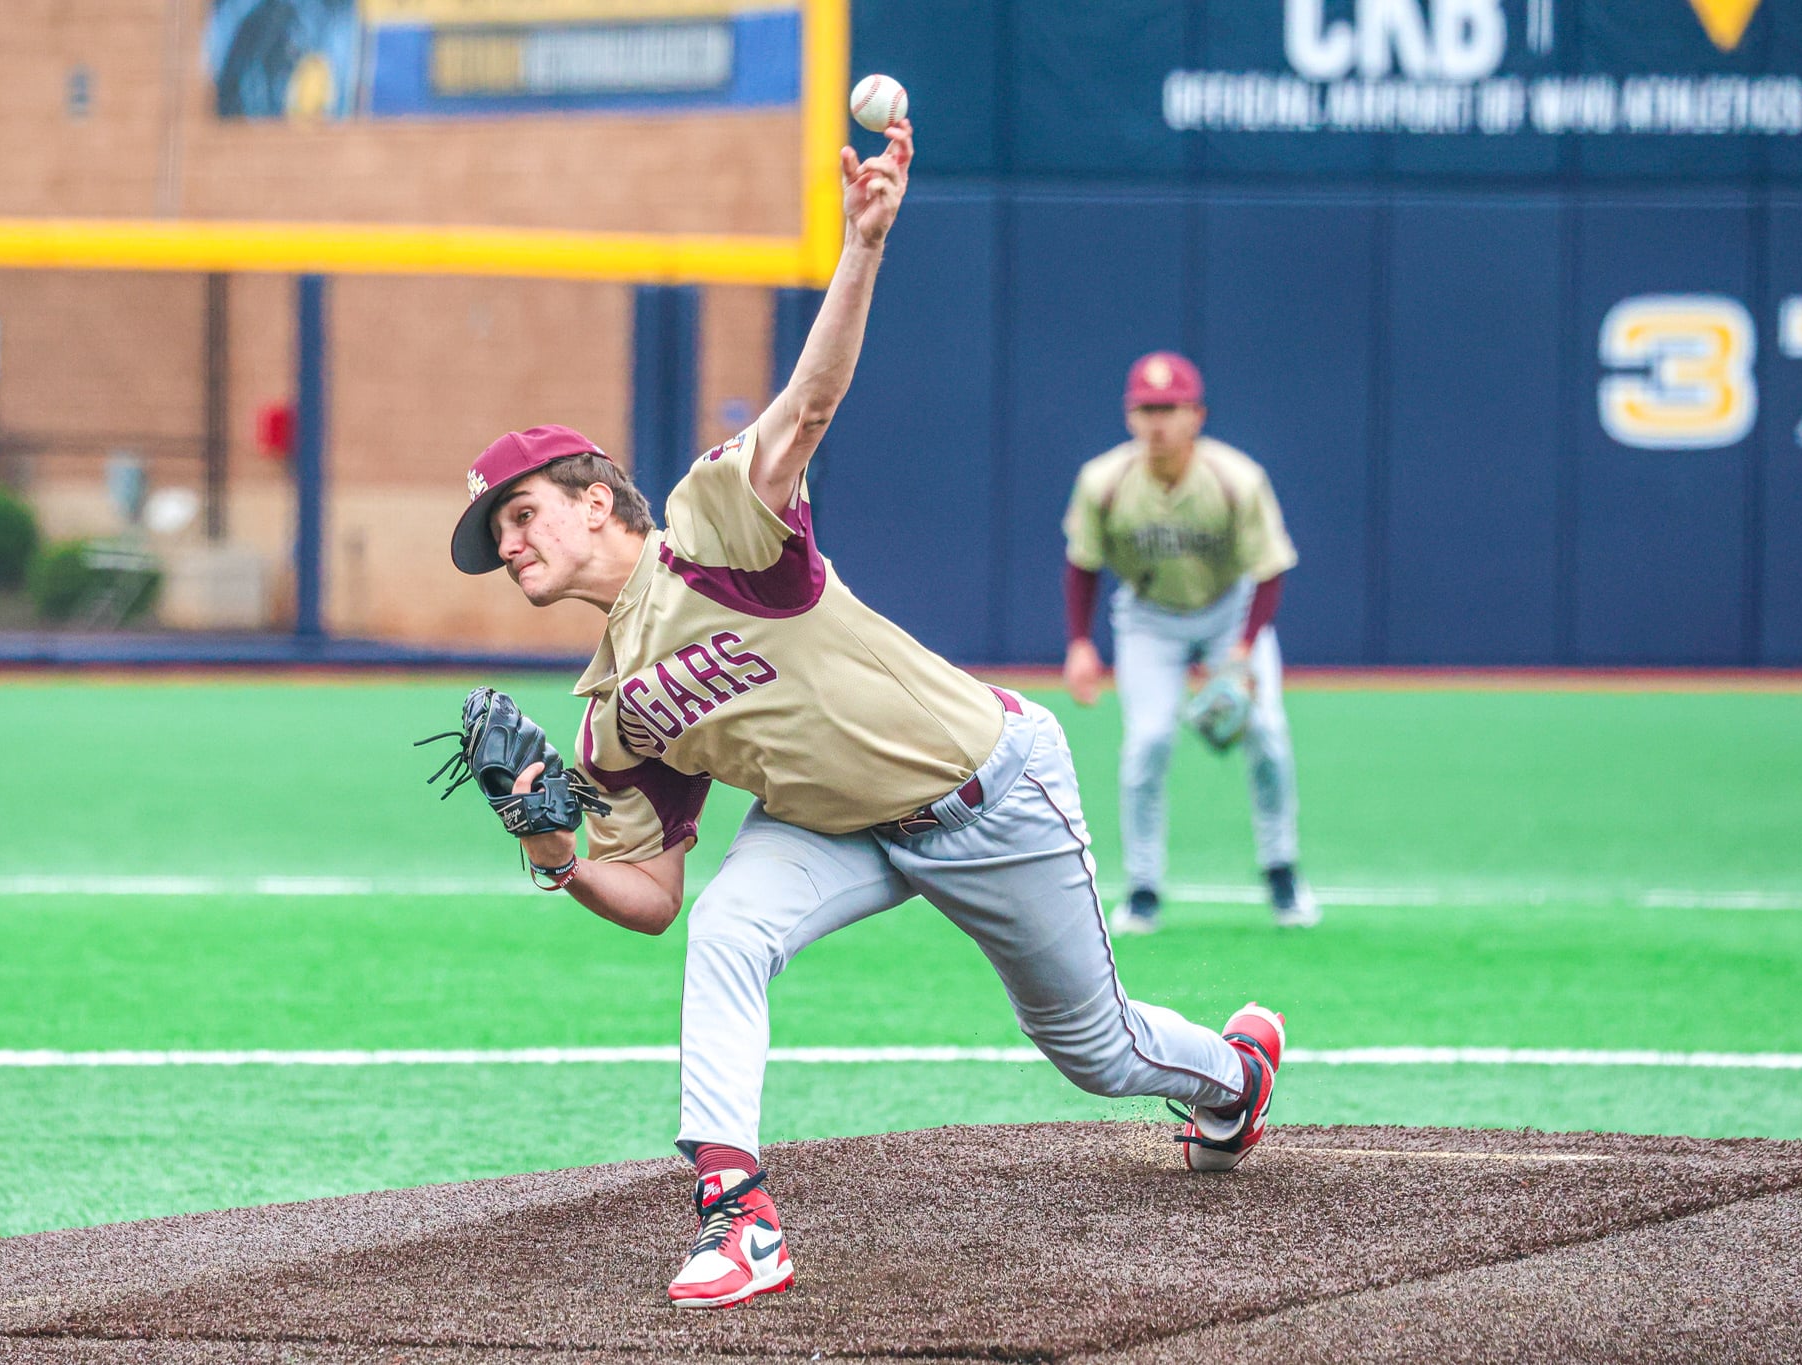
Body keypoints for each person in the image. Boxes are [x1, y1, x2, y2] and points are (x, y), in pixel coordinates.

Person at [445, 121, 1285, 1312]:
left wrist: (862, 244)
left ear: (594, 498)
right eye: (496, 539)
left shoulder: (709, 531)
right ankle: (737, 1216)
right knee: (726, 936)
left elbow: (807, 404)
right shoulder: (604, 716)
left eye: (522, 515)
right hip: (827, 823)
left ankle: (1232, 1079)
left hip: (984, 785)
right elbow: (652, 901)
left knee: (1094, 1051)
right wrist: (552, 854)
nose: (511, 545)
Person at [1060, 355, 1318, 934]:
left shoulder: (1236, 479)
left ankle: (1282, 874)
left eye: (1169, 410)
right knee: (1148, 742)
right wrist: (1080, 643)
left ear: (1196, 415)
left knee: (1268, 734)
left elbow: (1270, 569)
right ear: (1130, 416)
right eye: (1146, 410)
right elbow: (1083, 565)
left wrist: (1245, 650)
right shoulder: (1103, 482)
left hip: (1232, 613)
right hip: (1149, 619)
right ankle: (1144, 889)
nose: (1157, 423)